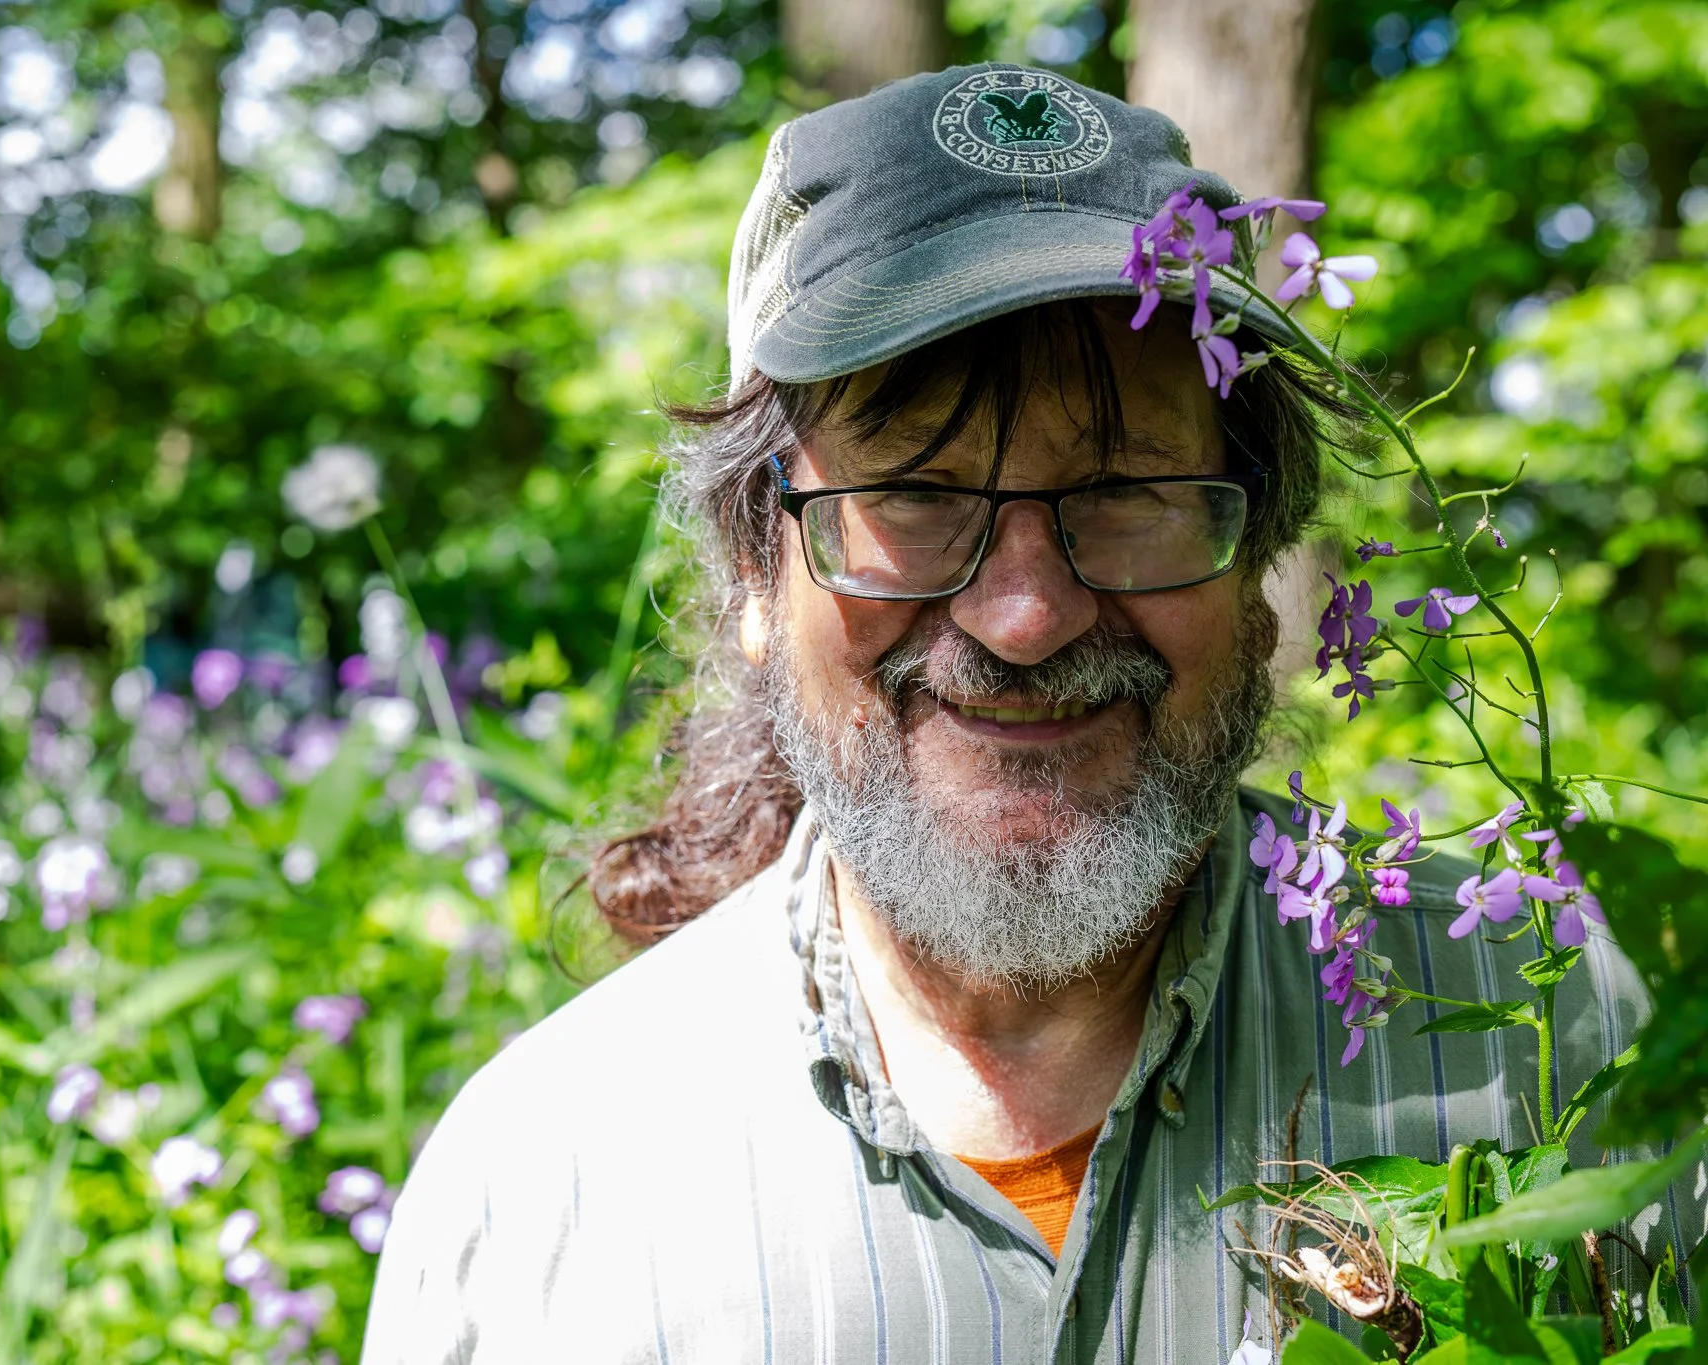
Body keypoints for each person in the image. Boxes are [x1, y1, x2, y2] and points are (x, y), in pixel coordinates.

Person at [362, 65, 1691, 1362]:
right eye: (919, 495)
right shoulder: (539, 1194)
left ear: (1264, 570)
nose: (1025, 617)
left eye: (1128, 494)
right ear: (757, 566)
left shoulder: (1537, 1022)